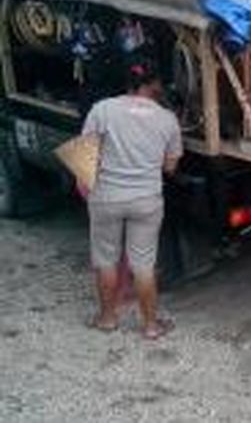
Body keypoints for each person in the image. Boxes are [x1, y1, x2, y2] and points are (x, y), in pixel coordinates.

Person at [83, 60, 183, 340]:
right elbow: (170, 168)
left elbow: (85, 153)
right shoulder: (167, 119)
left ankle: (107, 319)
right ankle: (151, 326)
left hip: (106, 197)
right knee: (143, 264)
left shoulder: (101, 109)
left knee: (106, 260)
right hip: (146, 200)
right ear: (154, 85)